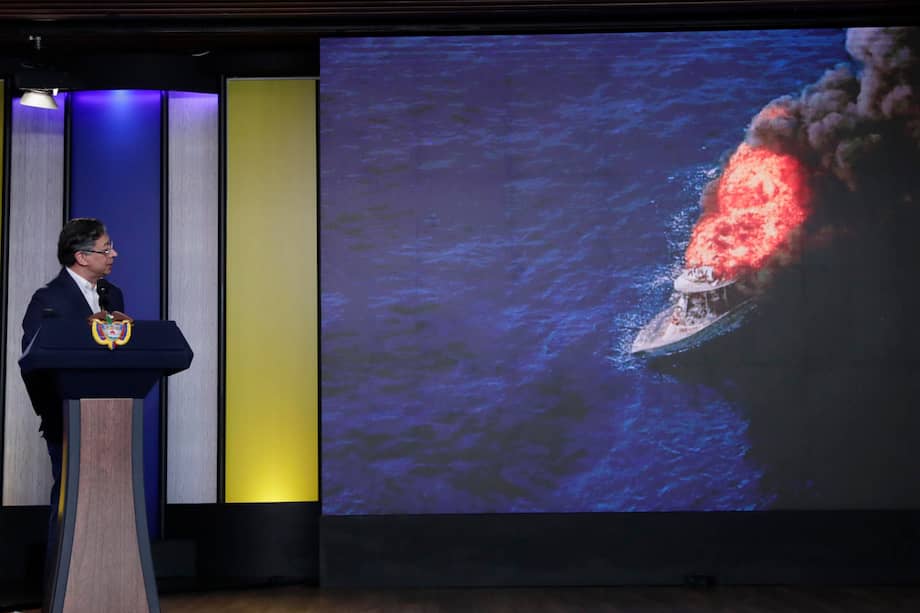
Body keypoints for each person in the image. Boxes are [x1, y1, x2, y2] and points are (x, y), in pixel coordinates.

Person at [19, 217, 123, 602]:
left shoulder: (114, 296)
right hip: (68, 423)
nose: (114, 254)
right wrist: (55, 416)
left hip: (113, 423)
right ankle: (61, 595)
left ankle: (105, 590)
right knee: (69, 505)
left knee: (110, 510)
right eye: (106, 248)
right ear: (82, 256)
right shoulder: (48, 300)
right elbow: (33, 363)